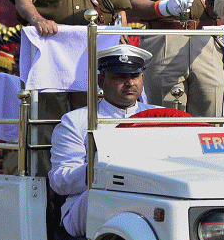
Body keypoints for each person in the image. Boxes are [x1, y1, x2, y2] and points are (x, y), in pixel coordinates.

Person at [49, 44, 159, 237]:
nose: (129, 83)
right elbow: (59, 180)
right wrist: (99, 171)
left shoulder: (159, 116)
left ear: (142, 77)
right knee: (112, 196)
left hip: (151, 196)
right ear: (101, 80)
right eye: (119, 77)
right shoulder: (76, 121)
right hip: (88, 203)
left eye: (134, 76)